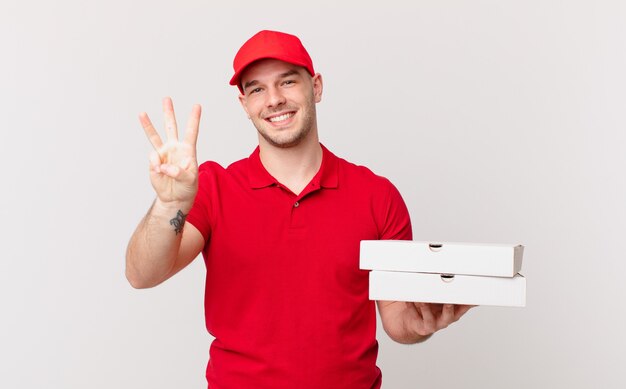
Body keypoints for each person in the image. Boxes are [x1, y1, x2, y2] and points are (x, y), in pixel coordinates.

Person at [126, 30, 472, 389]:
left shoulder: (377, 196)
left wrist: (418, 326)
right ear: (244, 104)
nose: (274, 99)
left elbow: (397, 314)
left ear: (316, 87)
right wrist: (169, 203)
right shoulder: (214, 187)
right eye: (257, 89)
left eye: (287, 81)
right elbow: (142, 274)